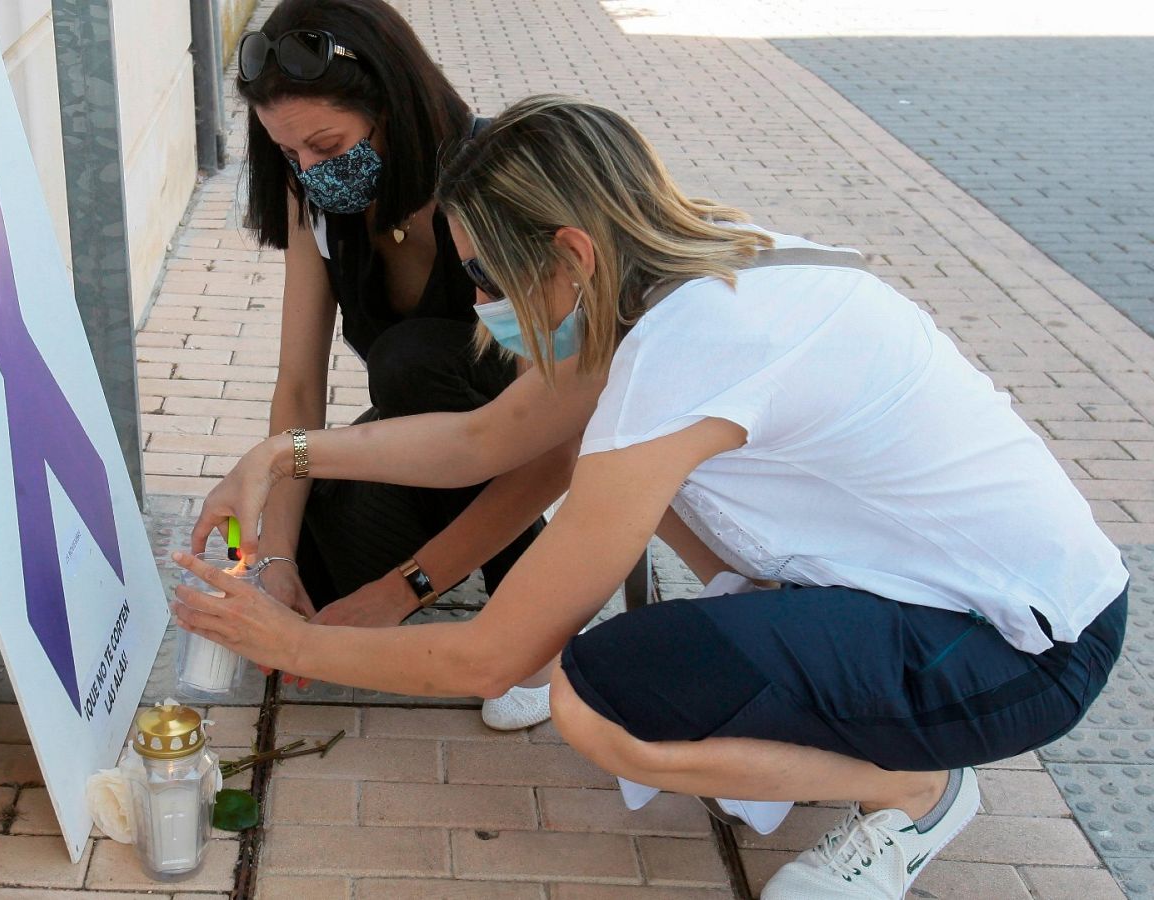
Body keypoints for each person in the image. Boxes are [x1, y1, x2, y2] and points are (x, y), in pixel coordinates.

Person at [171, 96, 1129, 899]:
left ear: (574, 254)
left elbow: (498, 654)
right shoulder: (701, 267)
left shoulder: (687, 349)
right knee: (612, 475)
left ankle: (916, 789)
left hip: (1018, 651)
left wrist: (297, 645)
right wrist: (283, 455)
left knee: (598, 700)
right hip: (983, 591)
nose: (475, 303)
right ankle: (802, 696)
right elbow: (486, 440)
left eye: (484, 274)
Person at [231, 0, 585, 727]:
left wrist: (403, 590)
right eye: (288, 154)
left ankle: (533, 623)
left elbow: (553, 447)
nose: (309, 171)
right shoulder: (319, 203)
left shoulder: (492, 183)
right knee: (318, 586)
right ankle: (467, 564)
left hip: (519, 436)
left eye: (326, 146)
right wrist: (274, 562)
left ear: (391, 103)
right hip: (427, 441)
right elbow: (298, 385)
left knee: (411, 360)